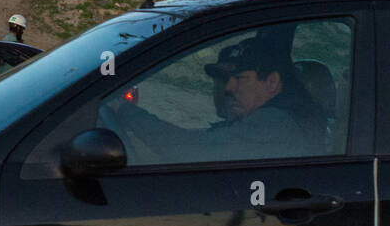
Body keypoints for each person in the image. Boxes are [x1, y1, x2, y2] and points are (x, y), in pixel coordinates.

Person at [109, 38, 327, 162]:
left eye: (240, 78)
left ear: (271, 82)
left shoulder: (274, 124)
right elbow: (196, 139)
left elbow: (189, 149)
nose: (229, 88)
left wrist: (123, 110)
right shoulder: (261, 122)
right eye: (224, 79)